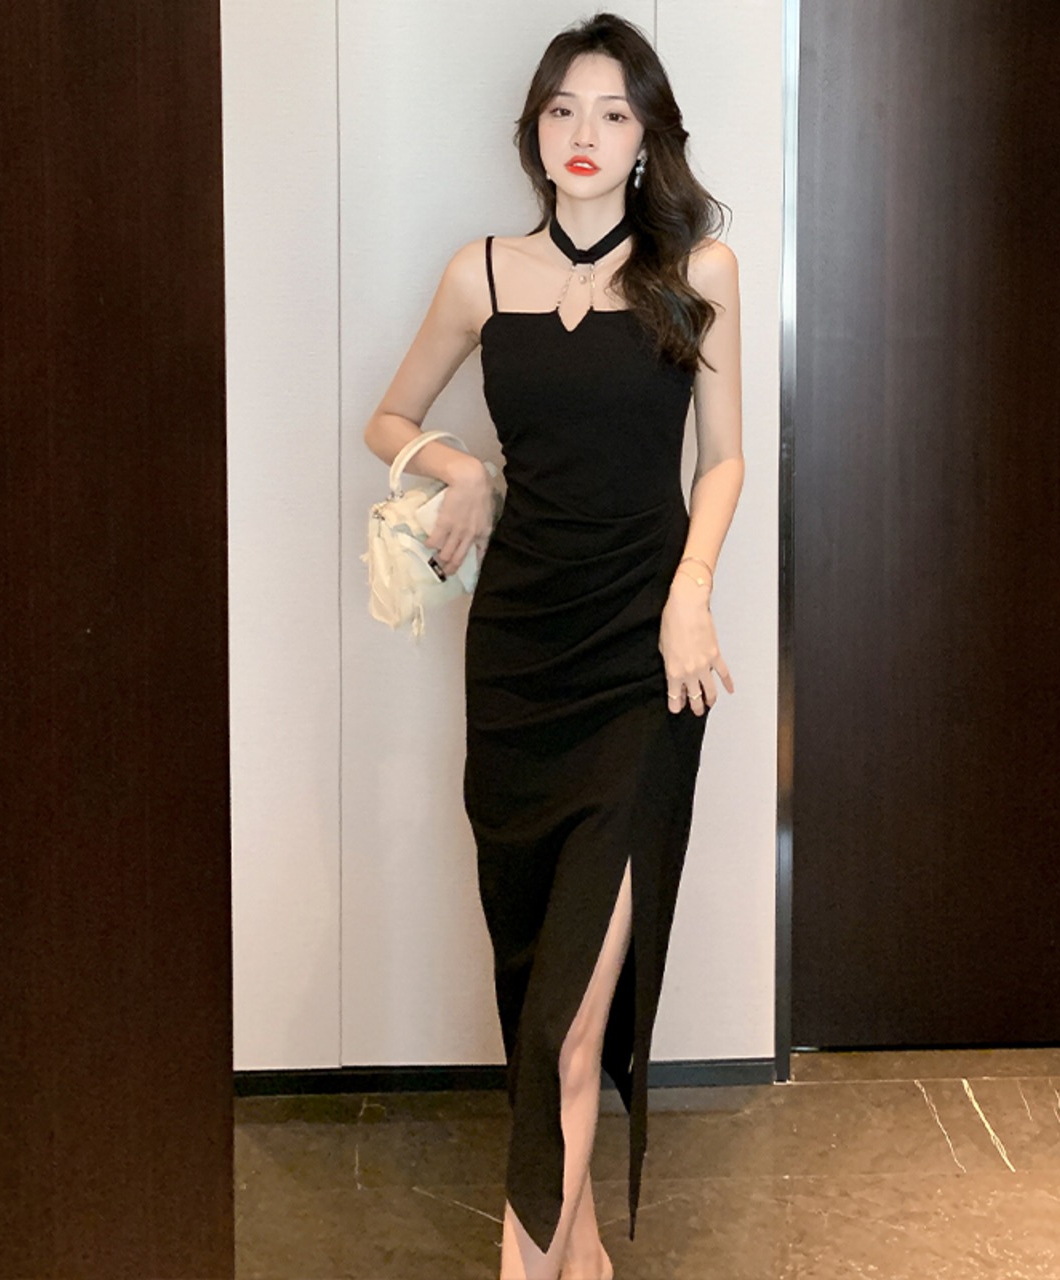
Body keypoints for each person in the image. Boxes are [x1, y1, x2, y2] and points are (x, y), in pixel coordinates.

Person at [363, 13, 743, 1278]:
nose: (584, 134)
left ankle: (522, 1262)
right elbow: (387, 416)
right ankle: (576, 1256)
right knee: (534, 984)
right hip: (518, 661)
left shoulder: (699, 269)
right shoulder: (480, 273)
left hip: (644, 662)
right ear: (532, 131)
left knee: (571, 1022)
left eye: (613, 113)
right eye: (561, 110)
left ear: (646, 139)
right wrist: (457, 465)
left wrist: (691, 590)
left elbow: (723, 459)